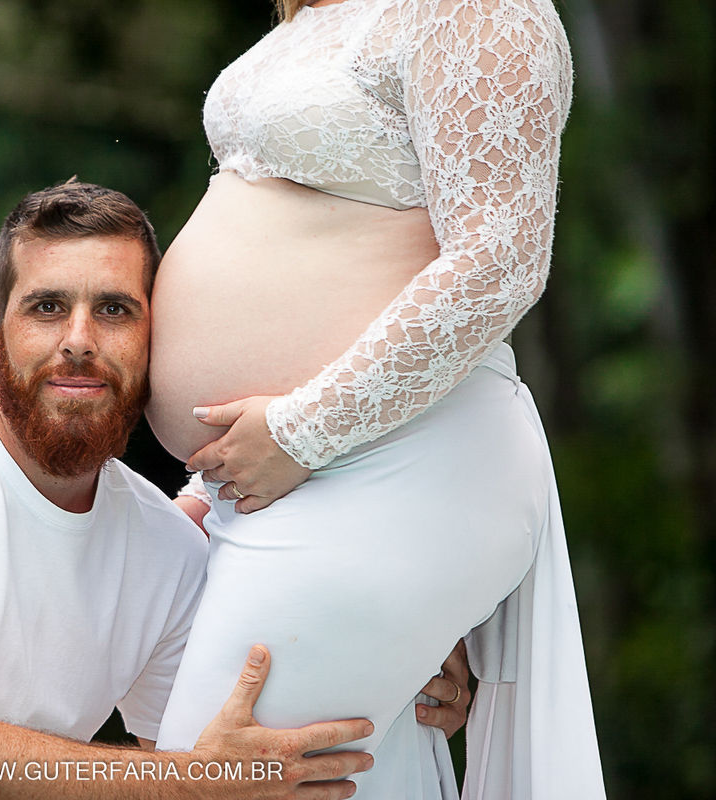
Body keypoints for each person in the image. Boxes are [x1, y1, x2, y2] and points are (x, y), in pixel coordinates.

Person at [0, 181, 468, 800]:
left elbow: (239, 742)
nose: (79, 339)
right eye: (48, 306)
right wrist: (193, 783)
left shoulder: (162, 553)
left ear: (154, 339)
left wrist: (402, 660)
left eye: (115, 310)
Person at [145, 0, 606, 798]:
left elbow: (501, 258)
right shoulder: (314, 19)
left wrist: (299, 429)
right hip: (289, 481)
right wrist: (217, 473)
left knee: (218, 774)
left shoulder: (473, 8)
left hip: (390, 460)